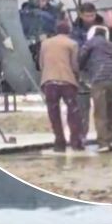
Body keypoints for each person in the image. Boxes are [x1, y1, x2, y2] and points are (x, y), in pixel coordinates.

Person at [71, 3, 112, 143]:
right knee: (83, 104)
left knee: (105, 107)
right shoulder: (76, 30)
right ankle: (82, 134)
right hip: (86, 70)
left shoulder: (102, 27)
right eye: (87, 16)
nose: (90, 18)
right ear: (81, 15)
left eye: (92, 15)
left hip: (98, 70)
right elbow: (77, 48)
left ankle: (107, 136)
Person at [39, 20, 84, 152]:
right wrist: (77, 76)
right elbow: (75, 65)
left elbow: (41, 64)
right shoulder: (72, 44)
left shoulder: (45, 44)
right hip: (67, 81)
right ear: (69, 31)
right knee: (72, 111)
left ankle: (59, 142)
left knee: (53, 112)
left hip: (49, 82)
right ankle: (75, 141)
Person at [78, 25, 112, 153]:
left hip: (99, 79)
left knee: (100, 112)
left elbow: (81, 60)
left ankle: (103, 142)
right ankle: (111, 138)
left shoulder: (90, 43)